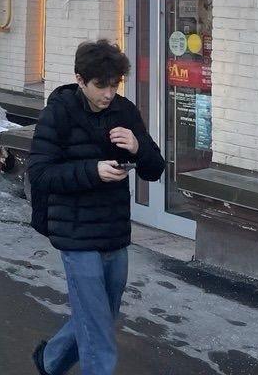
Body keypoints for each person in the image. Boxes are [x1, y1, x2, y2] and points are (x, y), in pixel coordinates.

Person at [27, 39, 165, 375]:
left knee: (101, 315)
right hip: (74, 233)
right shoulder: (58, 113)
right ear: (80, 80)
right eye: (101, 86)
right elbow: (40, 173)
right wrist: (93, 171)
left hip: (114, 231)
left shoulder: (124, 110)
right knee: (98, 328)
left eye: (114, 85)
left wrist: (138, 147)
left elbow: (155, 169)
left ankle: (50, 361)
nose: (108, 94)